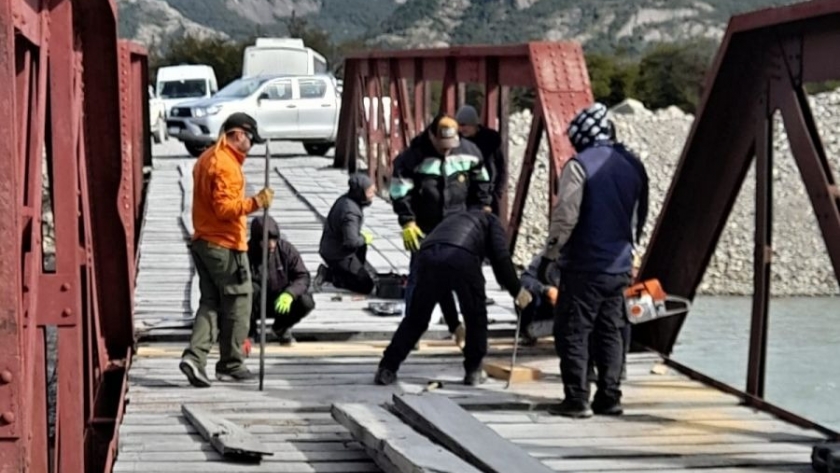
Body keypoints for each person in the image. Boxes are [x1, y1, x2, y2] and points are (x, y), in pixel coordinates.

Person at [536, 102, 649, 418]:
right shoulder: (634, 164)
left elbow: (566, 217)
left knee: (574, 329)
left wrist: (550, 255)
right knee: (611, 330)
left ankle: (576, 399)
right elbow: (640, 216)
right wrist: (629, 251)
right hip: (619, 266)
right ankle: (609, 397)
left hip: (584, 266)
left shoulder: (579, 165)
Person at [375, 209, 532, 386]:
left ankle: (387, 368)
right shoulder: (493, 223)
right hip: (462, 256)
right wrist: (517, 290)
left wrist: (455, 326)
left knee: (416, 319)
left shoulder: (453, 220)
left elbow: (442, 289)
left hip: (426, 256)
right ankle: (474, 370)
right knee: (475, 315)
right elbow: (501, 260)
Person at [179, 112, 274, 387]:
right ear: (238, 134)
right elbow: (224, 210)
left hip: (203, 241)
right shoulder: (226, 165)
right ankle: (230, 363)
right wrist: (256, 202)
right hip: (224, 244)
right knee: (239, 299)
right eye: (251, 140)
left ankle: (195, 358)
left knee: (210, 302)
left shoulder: (207, 157)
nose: (252, 146)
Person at [389, 113, 493, 347]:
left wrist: (481, 214)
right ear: (432, 136)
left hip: (459, 227)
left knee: (463, 279)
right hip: (425, 227)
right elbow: (399, 191)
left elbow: (482, 184)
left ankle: (464, 329)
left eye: (451, 145)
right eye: (442, 145)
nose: (447, 150)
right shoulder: (413, 157)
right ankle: (412, 332)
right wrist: (407, 221)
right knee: (420, 277)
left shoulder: (470, 152)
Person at [245, 215, 314, 349]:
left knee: (306, 301)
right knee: (247, 291)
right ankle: (250, 332)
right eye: (266, 241)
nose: (271, 244)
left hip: (280, 301)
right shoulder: (246, 253)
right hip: (256, 304)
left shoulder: (286, 250)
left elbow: (303, 277)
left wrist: (290, 293)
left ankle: (281, 328)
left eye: (274, 240)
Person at [314, 173, 376, 295]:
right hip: (337, 253)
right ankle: (330, 275)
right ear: (360, 193)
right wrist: (364, 238)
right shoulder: (350, 212)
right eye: (369, 192)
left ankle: (348, 274)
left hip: (331, 246)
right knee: (366, 286)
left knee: (362, 246)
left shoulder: (347, 199)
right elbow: (351, 242)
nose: (372, 195)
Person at [456, 105, 507, 218]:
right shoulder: (456, 140)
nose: (461, 129)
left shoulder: (490, 139)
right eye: (459, 125)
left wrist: (497, 193)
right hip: (464, 197)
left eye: (465, 125)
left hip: (488, 194)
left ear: (474, 124)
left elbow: (500, 167)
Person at [519, 254, 561, 346]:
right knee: (525, 293)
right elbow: (525, 279)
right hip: (545, 310)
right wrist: (546, 290)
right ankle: (528, 331)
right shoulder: (546, 258)